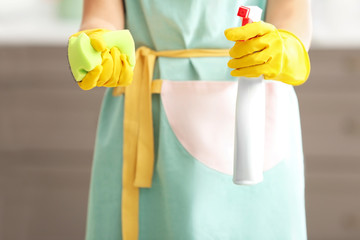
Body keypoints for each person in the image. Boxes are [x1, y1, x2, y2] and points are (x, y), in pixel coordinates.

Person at [68, 0, 311, 239]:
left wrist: (286, 49)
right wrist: (97, 42)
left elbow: (292, 13)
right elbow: (101, 14)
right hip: (147, 114)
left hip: (257, 96)